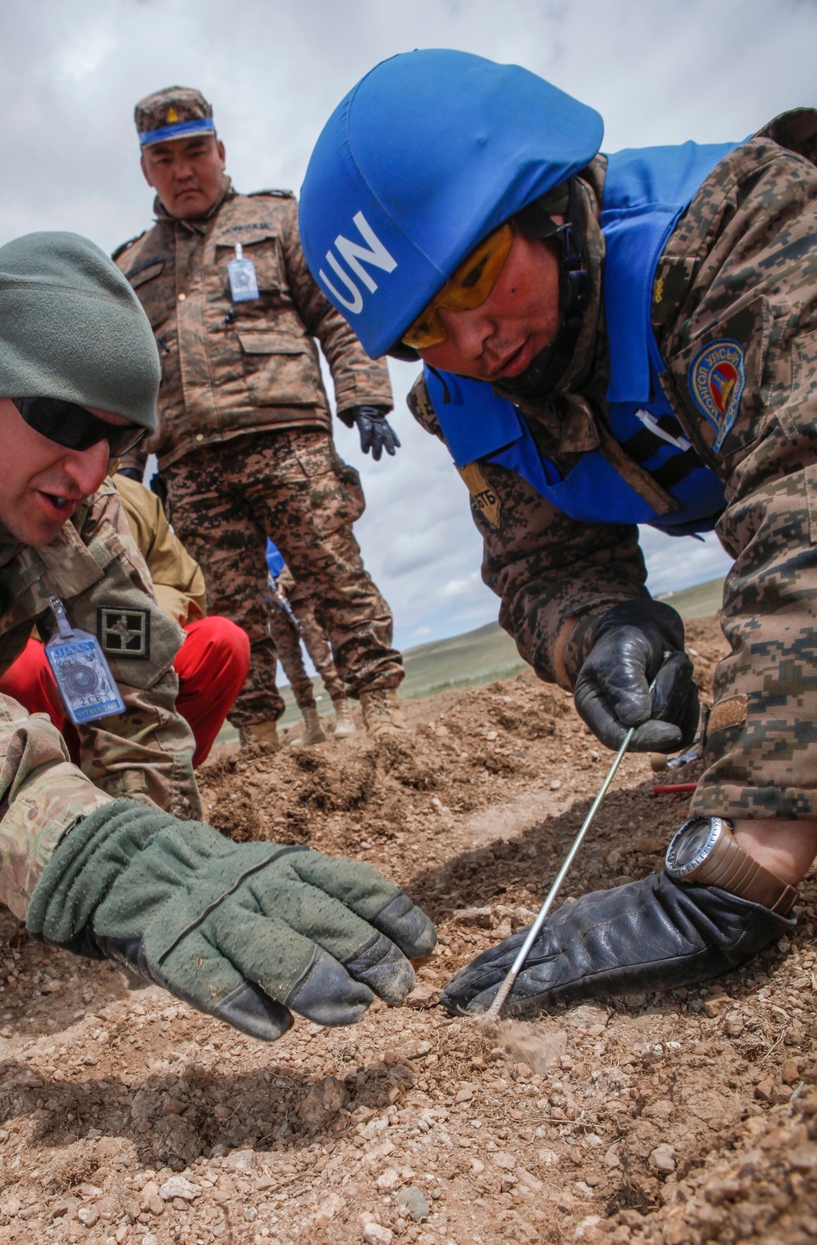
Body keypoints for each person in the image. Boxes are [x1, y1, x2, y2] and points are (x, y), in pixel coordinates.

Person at [0, 230, 435, 1042]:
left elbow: (136, 693)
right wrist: (118, 870)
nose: (86, 468)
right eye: (62, 420)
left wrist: (181, 866)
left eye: (116, 439)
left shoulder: (75, 506)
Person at [299, 49, 817, 1013]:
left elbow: (804, 511)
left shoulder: (737, 232)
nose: (468, 346)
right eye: (420, 331)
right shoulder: (466, 395)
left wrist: (748, 854)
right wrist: (604, 636)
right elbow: (540, 565)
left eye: (476, 277)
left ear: (549, 203)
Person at [112, 85, 406, 748]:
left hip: (287, 438)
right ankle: (257, 736)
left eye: (195, 152)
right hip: (188, 465)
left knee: (332, 571)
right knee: (226, 606)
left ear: (219, 150)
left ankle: (381, 707)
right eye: (164, 159)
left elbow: (337, 311)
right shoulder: (130, 266)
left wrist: (363, 393)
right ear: (146, 169)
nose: (183, 170)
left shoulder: (277, 221)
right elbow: (130, 376)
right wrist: (126, 470)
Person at [0, 473, 251, 767]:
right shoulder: (4, 492)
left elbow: (180, 584)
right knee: (20, 669)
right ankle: (49, 781)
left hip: (131, 652)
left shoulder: (137, 498)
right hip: (53, 674)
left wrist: (129, 637)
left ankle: (164, 772)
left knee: (223, 641)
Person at [264, 539, 356, 745]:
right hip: (271, 608)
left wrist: (283, 584)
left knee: (321, 657)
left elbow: (297, 548)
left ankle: (344, 715)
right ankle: (312, 726)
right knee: (292, 668)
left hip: (300, 597)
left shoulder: (273, 522)